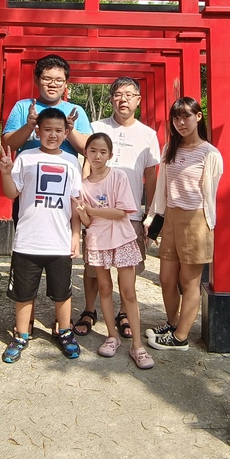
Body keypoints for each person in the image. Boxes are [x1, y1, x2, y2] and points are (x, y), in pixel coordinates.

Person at [73, 77, 160, 341]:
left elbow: (151, 175)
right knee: (92, 265)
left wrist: (150, 212)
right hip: (96, 209)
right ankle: (89, 310)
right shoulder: (96, 127)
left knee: (128, 268)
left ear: (138, 100)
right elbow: (85, 164)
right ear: (111, 98)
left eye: (129, 94)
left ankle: (124, 313)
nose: (123, 99)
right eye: (118, 94)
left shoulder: (148, 134)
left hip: (129, 212)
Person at [0, 108, 83, 363]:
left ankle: (65, 332)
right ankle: (21, 334)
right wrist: (4, 172)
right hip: (28, 239)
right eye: (47, 130)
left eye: (59, 130)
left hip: (59, 240)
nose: (53, 135)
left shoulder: (72, 161)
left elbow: (76, 202)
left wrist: (76, 235)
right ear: (38, 130)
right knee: (24, 293)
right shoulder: (26, 158)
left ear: (66, 132)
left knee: (62, 293)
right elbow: (12, 194)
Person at [144, 97, 223, 352]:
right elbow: (162, 188)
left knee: (189, 282)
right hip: (171, 217)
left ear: (198, 117)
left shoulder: (210, 153)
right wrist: (153, 216)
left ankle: (180, 337)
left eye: (186, 117)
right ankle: (172, 323)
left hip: (196, 220)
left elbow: (211, 194)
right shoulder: (170, 149)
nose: (181, 123)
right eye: (176, 118)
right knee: (166, 278)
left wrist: (208, 224)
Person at [76, 133, 155, 370]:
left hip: (122, 239)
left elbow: (122, 212)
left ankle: (138, 346)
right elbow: (87, 222)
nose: (97, 156)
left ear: (110, 155)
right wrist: (83, 212)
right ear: (86, 154)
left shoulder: (118, 176)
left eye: (102, 152)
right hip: (97, 241)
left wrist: (91, 210)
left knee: (128, 291)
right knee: (104, 289)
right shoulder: (82, 185)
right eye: (93, 151)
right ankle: (112, 336)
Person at [2, 55, 92, 157]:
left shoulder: (76, 111)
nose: (52, 84)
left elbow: (89, 150)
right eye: (47, 79)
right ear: (36, 80)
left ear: (66, 83)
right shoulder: (22, 106)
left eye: (59, 80)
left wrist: (70, 130)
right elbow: (6, 145)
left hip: (64, 171)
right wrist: (28, 127)